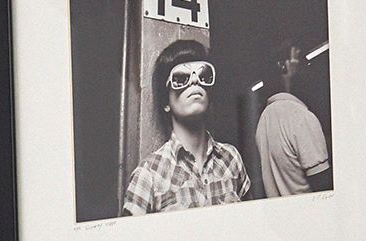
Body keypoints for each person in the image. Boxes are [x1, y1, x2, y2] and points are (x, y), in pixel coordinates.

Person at [123, 40, 250, 216]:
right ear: (165, 102)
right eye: (181, 78)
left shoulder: (231, 159)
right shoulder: (149, 175)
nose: (195, 82)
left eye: (203, 75)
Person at [255, 41, 332, 196]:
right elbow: (324, 189)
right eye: (301, 59)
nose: (307, 65)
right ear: (283, 65)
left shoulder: (263, 120)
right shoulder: (299, 117)